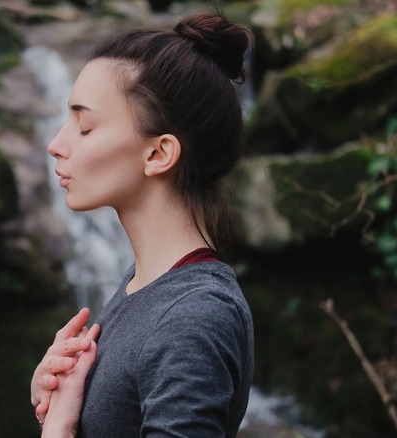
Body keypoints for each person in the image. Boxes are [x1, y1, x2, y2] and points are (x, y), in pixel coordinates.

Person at [30, 11, 255, 438]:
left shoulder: (194, 316)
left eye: (85, 126)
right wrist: (52, 395)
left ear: (158, 155)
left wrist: (58, 431)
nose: (56, 144)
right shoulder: (145, 285)